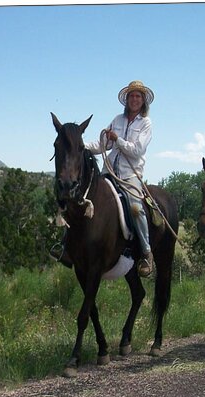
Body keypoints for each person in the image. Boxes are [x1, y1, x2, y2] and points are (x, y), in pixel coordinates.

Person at [51, 80, 155, 277]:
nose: (134, 99)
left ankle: (146, 252)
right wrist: (77, 146)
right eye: (131, 96)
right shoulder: (117, 119)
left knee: (135, 207)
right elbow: (102, 145)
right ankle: (65, 245)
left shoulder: (146, 124)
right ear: (127, 99)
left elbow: (137, 150)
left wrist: (119, 140)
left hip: (130, 176)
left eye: (138, 96)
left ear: (143, 101)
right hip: (108, 173)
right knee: (76, 201)